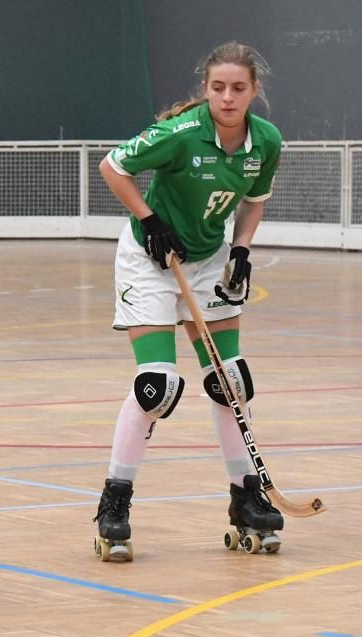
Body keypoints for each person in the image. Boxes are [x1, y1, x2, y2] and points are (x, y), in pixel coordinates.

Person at [94, 41, 284, 561]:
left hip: (206, 260)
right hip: (150, 260)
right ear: (205, 90)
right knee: (156, 385)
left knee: (232, 381)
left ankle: (245, 497)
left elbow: (253, 202)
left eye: (238, 88)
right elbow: (114, 166)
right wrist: (149, 221)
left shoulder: (266, 141)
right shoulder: (179, 134)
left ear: (253, 92)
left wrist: (242, 252)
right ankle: (115, 501)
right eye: (218, 87)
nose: (227, 97)